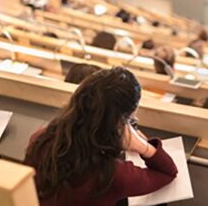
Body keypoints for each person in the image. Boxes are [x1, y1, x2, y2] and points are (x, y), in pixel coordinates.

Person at [24, 67, 178, 206]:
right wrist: (142, 146)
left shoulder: (41, 138)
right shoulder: (112, 175)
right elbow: (168, 172)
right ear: (120, 122)